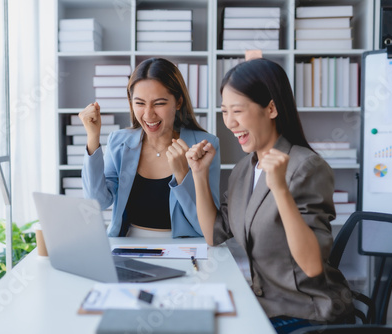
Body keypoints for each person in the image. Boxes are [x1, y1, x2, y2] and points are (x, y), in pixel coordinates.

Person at [185, 58, 354, 333]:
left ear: (271, 108)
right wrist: (199, 174)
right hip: (266, 305)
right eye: (224, 111)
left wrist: (281, 190)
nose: (229, 122)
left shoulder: (306, 166)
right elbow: (214, 234)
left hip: (308, 313)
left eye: (237, 110)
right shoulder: (244, 169)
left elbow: (312, 266)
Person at [79, 57, 220, 238]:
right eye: (139, 103)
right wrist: (93, 138)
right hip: (129, 245)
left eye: (159, 103)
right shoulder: (119, 142)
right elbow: (97, 201)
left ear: (178, 102)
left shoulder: (205, 146)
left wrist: (183, 175)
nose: (148, 114)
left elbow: (206, 228)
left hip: (184, 248)